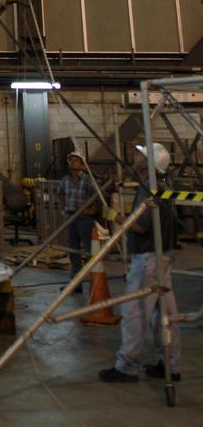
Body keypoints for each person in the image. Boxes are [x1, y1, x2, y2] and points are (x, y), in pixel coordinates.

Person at [99, 142, 181, 384]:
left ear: (149, 164)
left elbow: (140, 226)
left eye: (139, 155)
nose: (134, 157)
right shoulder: (164, 185)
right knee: (164, 313)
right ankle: (170, 365)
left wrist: (116, 217)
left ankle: (127, 366)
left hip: (148, 258)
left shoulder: (150, 190)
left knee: (134, 312)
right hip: (163, 255)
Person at [58, 149, 96, 293]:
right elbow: (60, 194)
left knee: (88, 252)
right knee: (73, 252)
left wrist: (93, 210)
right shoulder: (65, 180)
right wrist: (64, 209)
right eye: (71, 159)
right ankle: (76, 284)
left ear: (82, 164)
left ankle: (95, 282)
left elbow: (98, 195)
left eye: (76, 160)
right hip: (71, 217)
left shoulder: (87, 179)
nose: (73, 162)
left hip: (84, 219)